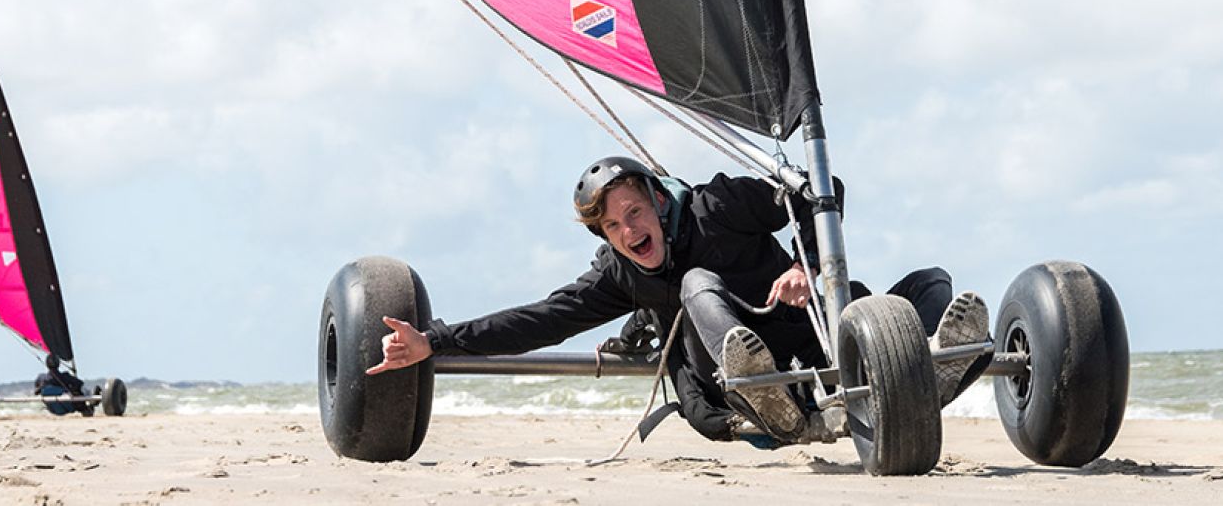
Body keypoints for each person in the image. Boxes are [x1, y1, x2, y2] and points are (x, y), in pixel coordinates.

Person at [366, 156, 991, 444]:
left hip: (818, 333)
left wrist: (804, 264)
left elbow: (821, 191)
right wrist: (435, 342)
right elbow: (542, 319)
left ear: (658, 202)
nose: (628, 232)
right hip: (735, 388)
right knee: (694, 284)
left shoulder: (718, 204)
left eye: (633, 213)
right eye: (612, 227)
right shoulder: (620, 273)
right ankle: (763, 391)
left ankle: (924, 377)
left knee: (932, 283)